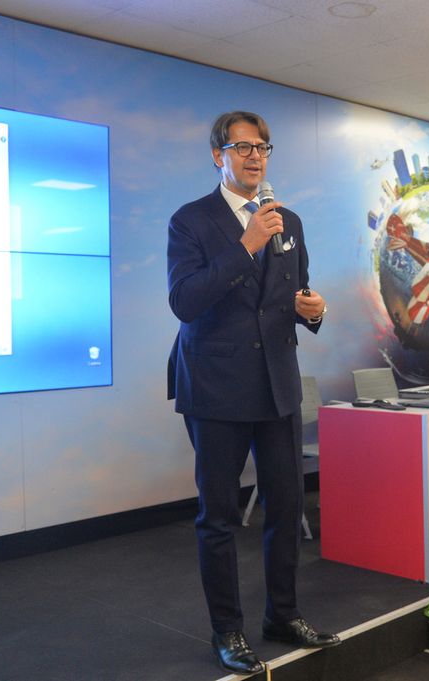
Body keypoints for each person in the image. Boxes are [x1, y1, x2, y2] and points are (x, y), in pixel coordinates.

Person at [167, 111, 339, 677]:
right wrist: (246, 244)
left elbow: (291, 294)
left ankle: (282, 615)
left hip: (277, 385)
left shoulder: (288, 220)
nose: (255, 156)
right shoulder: (191, 220)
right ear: (218, 155)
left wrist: (313, 309)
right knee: (218, 517)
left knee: (286, 508)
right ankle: (228, 630)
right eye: (242, 147)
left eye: (262, 147)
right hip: (216, 387)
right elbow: (185, 301)